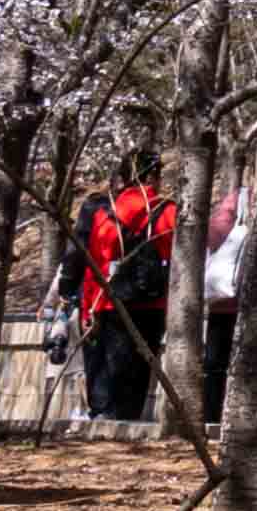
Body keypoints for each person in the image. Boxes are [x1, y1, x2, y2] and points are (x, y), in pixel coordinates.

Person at [78, 175, 175, 424]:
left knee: (111, 367)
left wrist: (88, 305)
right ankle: (131, 419)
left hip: (112, 299)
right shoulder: (169, 210)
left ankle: (106, 418)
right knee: (141, 368)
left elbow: (95, 262)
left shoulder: (106, 213)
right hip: (154, 302)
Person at [199, 185, 247, 416]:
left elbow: (213, 234)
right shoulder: (242, 200)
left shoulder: (234, 200)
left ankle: (212, 411)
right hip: (244, 303)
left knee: (216, 363)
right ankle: (219, 411)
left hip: (222, 301)